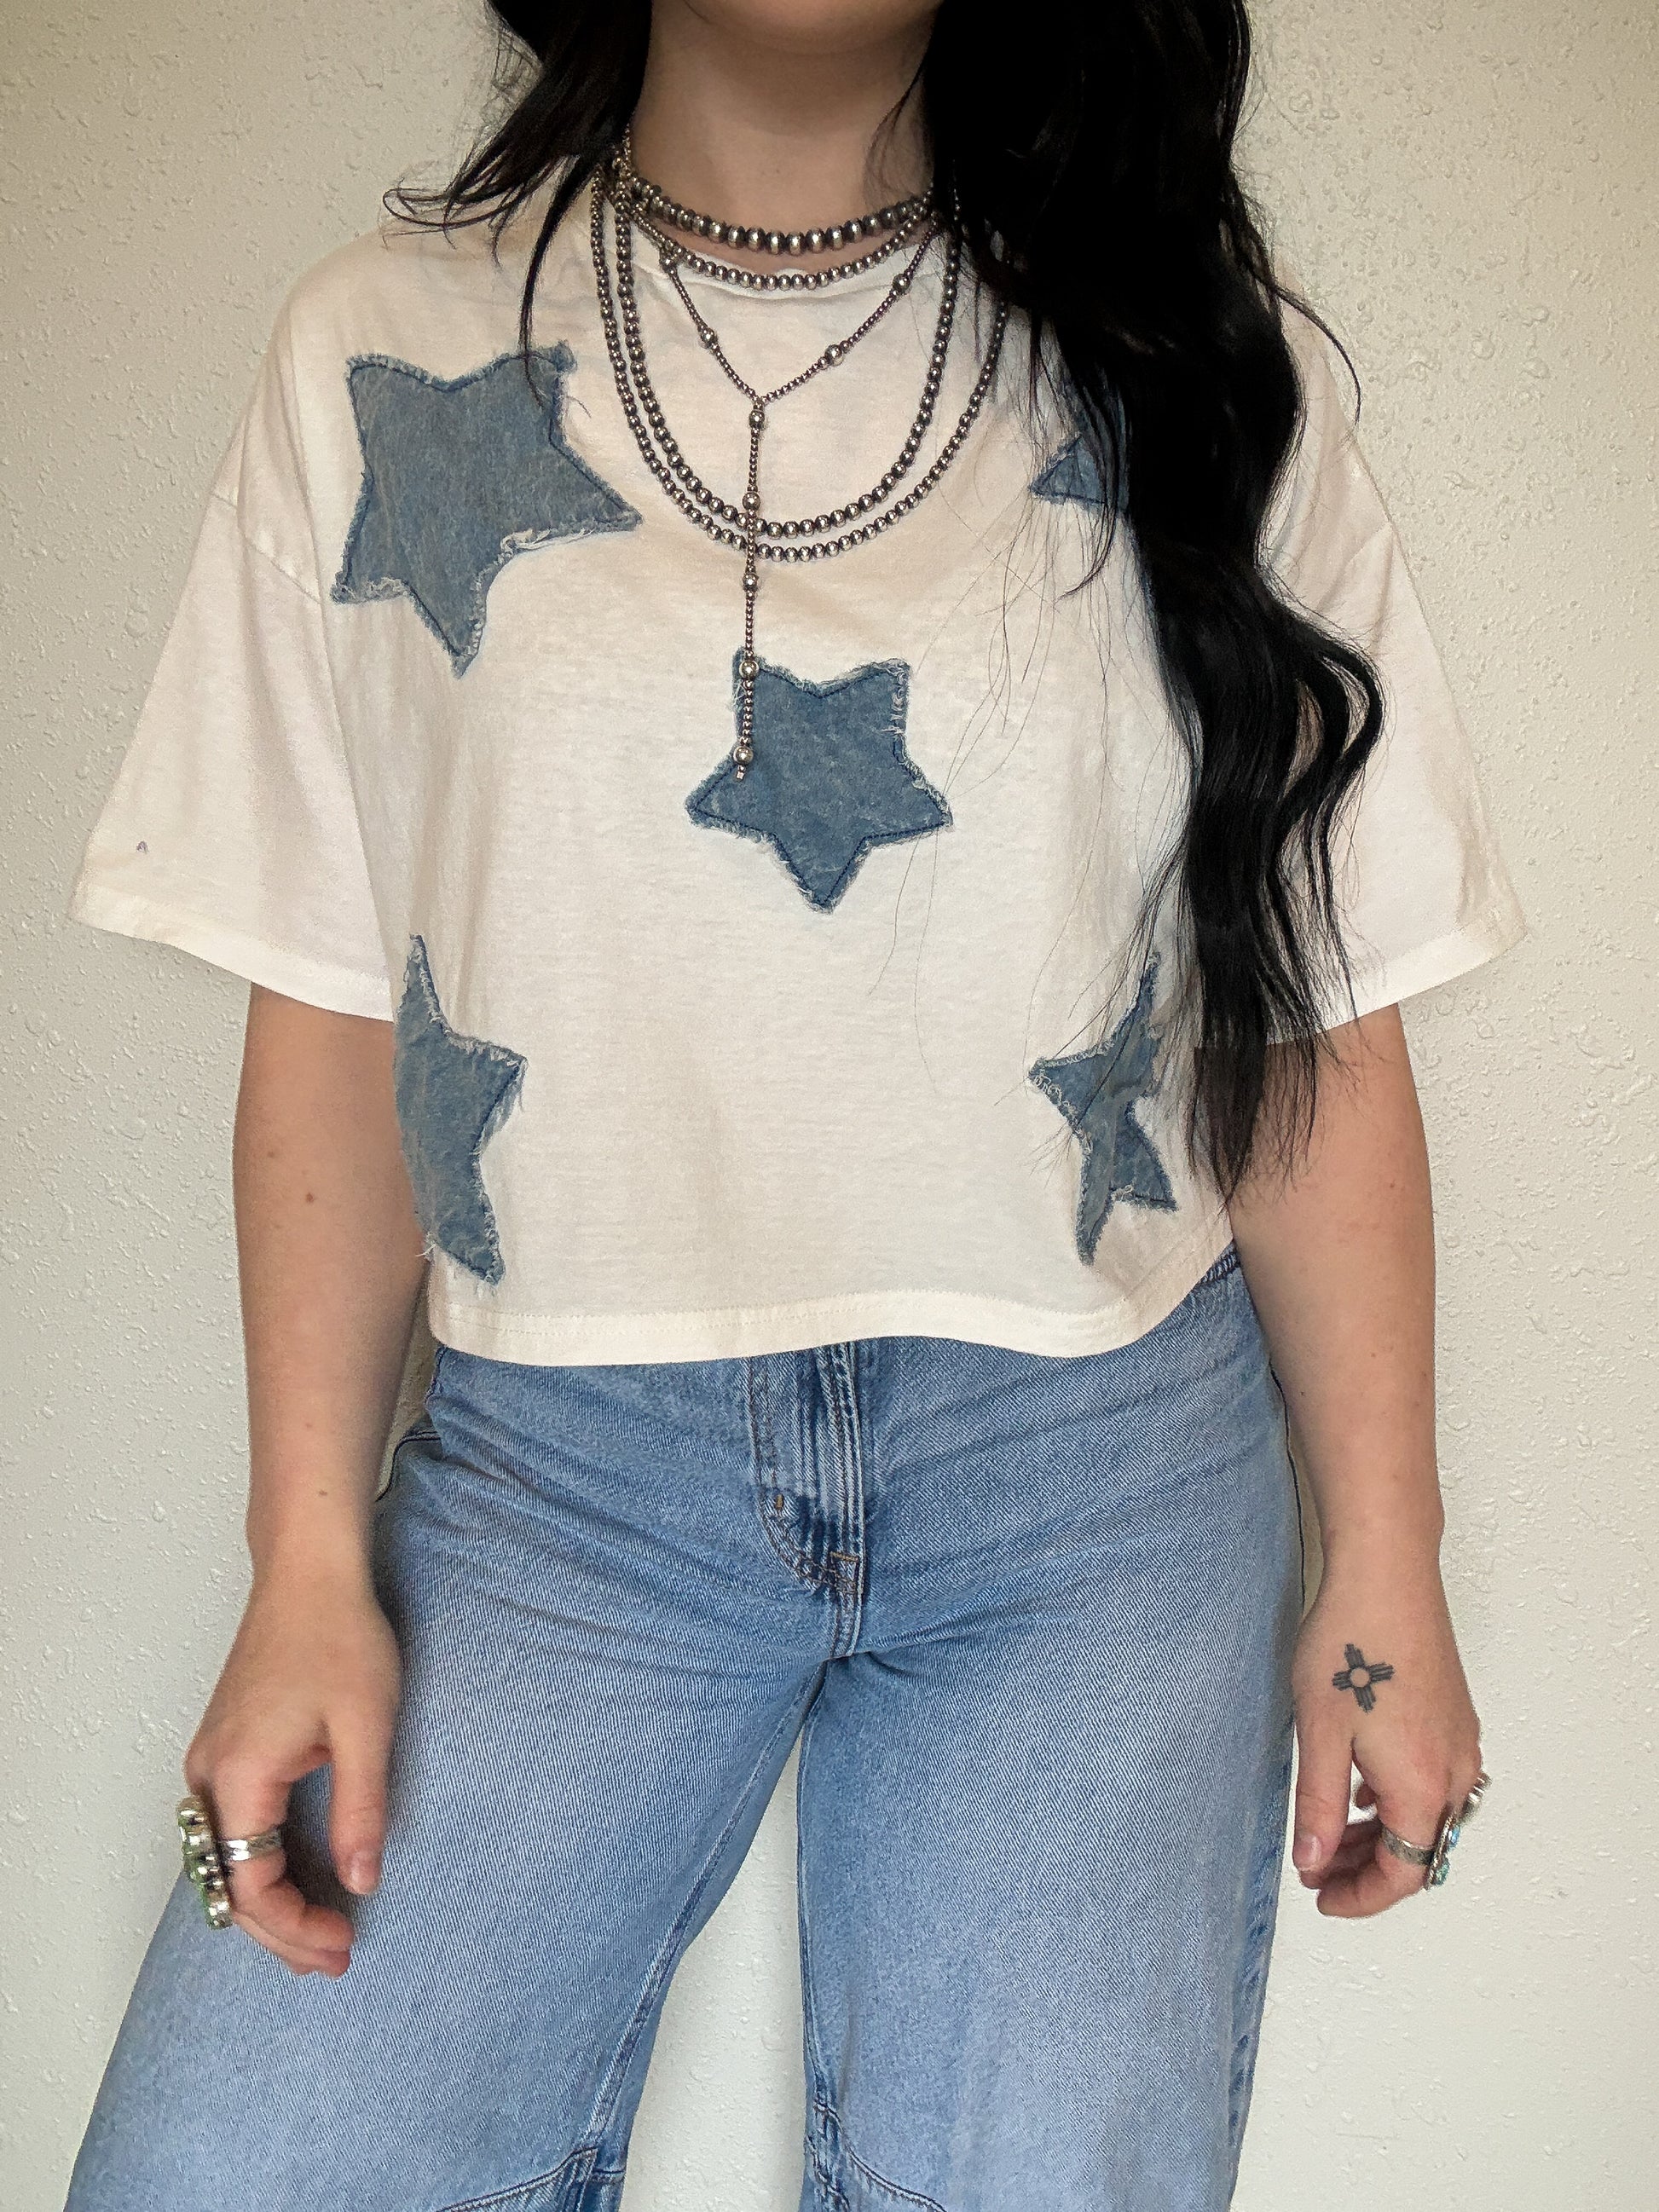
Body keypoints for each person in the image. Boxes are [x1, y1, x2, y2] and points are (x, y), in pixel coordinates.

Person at [58, 2, 1523, 2206]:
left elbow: (1308, 1005)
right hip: (562, 1485)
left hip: (1095, 1487)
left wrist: (1387, 1560)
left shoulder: (1196, 362)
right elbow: (344, 1004)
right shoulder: (381, 353)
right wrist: (304, 1560)